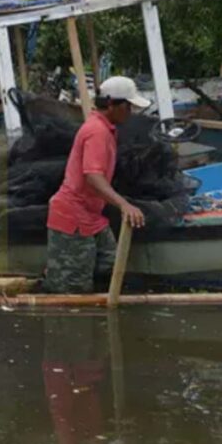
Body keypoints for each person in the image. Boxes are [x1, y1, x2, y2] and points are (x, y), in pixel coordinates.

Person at [41, 76, 150, 294]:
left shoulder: (105, 128)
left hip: (92, 216)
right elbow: (93, 176)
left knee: (110, 266)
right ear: (111, 104)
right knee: (72, 289)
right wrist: (123, 204)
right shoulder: (97, 132)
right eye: (128, 106)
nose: (130, 112)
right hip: (74, 218)